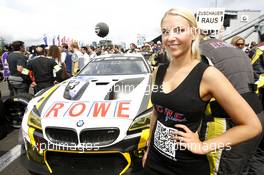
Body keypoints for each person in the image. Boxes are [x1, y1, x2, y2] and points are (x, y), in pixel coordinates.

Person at [142, 8, 262, 175]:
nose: (170, 37)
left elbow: (252, 126)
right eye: (165, 32)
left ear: (194, 33)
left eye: (179, 30)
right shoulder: (158, 71)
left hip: (186, 167)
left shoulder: (208, 75)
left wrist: (205, 146)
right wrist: (148, 146)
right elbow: (157, 110)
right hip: (154, 163)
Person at [200, 37, 264, 175]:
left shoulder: (199, 52)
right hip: (257, 113)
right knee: (246, 164)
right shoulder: (239, 51)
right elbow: (255, 79)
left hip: (225, 118)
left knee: (219, 169)